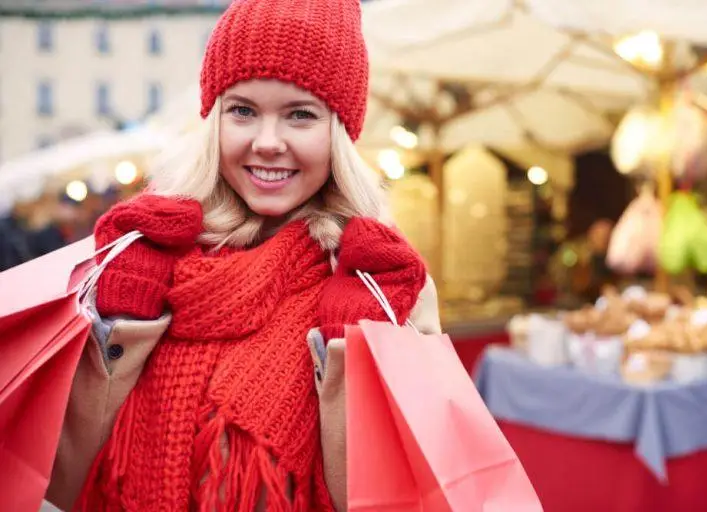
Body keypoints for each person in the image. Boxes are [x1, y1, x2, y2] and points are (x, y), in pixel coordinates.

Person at [45, 0, 440, 510]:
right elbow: (60, 480)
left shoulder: (383, 281)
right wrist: (120, 323)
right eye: (243, 111)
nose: (267, 142)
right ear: (215, 121)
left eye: (300, 114)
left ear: (339, 131)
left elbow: (398, 495)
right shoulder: (145, 251)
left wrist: (352, 351)